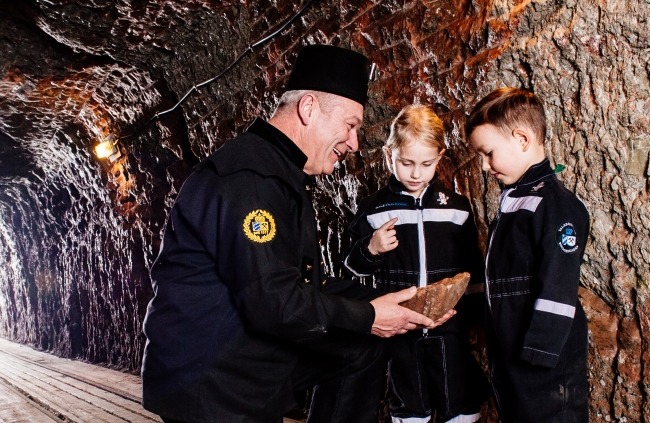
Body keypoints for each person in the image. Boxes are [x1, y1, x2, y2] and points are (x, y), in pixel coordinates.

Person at [140, 45, 454, 423]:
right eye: (351, 125)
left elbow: (306, 286)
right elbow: (274, 302)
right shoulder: (251, 181)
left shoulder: (283, 173)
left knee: (363, 347)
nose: (354, 143)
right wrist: (369, 316)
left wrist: (396, 303)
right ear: (308, 109)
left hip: (247, 358)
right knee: (364, 331)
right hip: (212, 380)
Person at [342, 105, 490, 423]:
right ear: (389, 155)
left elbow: (473, 269)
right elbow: (351, 268)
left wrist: (478, 320)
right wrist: (371, 247)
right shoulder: (374, 209)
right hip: (400, 331)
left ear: (440, 156)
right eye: (406, 162)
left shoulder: (457, 208)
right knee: (409, 406)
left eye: (426, 163)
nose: (415, 173)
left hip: (450, 327)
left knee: (460, 404)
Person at [464, 87, 590, 422]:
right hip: (510, 348)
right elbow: (498, 272)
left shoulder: (556, 205)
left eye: (488, 153)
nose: (486, 165)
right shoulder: (515, 200)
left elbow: (559, 280)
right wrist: (479, 320)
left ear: (521, 138)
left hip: (544, 358)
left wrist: (541, 347)